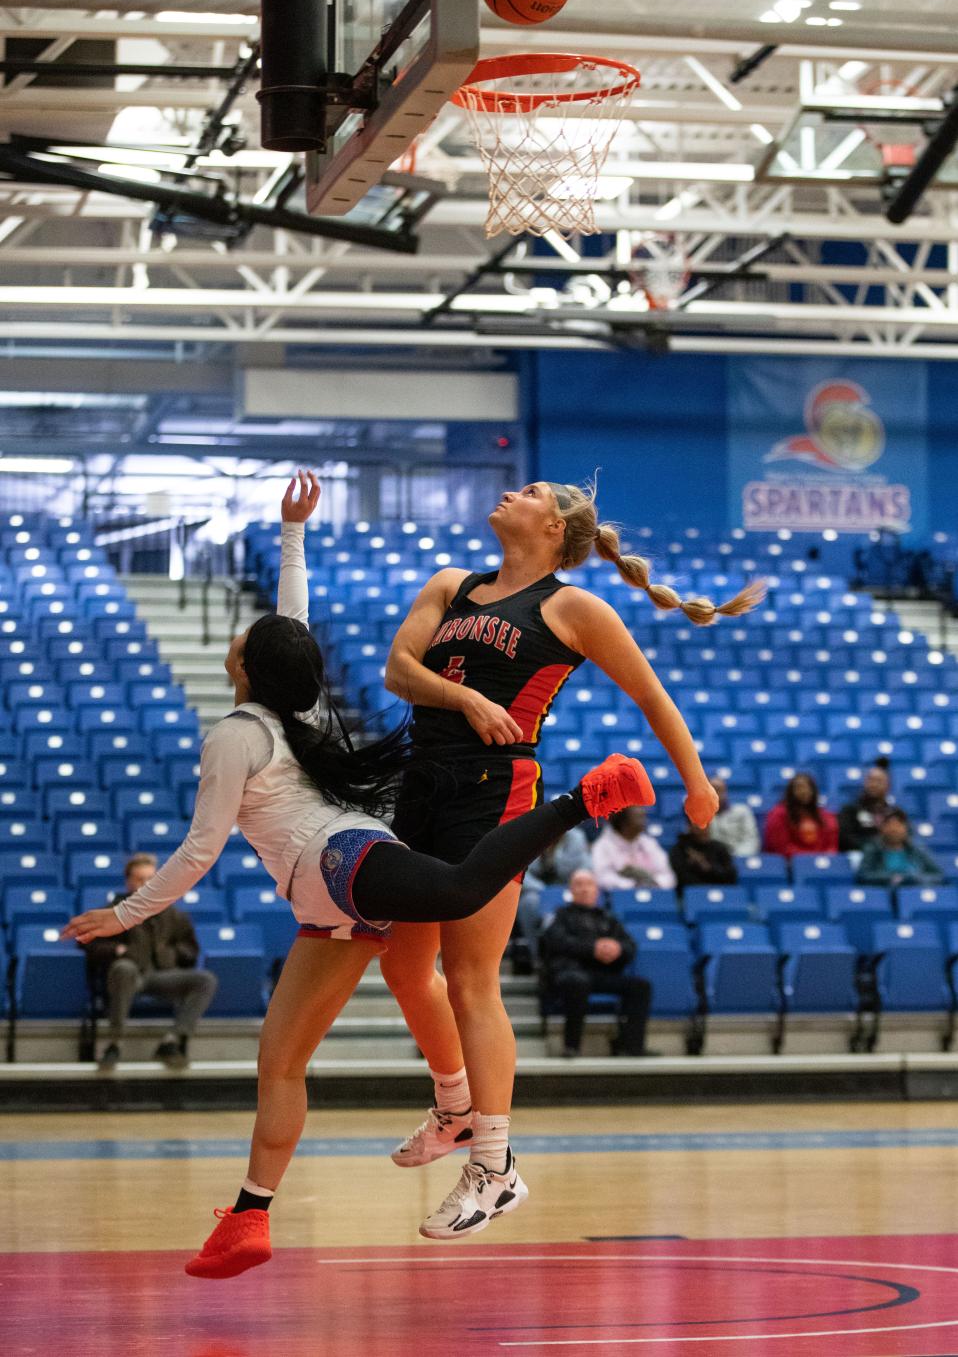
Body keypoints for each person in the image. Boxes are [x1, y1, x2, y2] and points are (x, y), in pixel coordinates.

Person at [62, 471, 654, 1279]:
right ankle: (250, 1213)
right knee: (280, 1058)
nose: (243, 640)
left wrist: (125, 913)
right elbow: (292, 623)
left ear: (245, 667)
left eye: (245, 639)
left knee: (454, 906)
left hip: (343, 859)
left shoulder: (236, 732)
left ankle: (580, 799)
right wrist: (291, 534)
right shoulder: (292, 708)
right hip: (324, 900)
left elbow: (200, 852)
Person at [379, 477, 764, 1236]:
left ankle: (493, 1165)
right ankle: (455, 1103)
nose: (505, 492)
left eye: (524, 490)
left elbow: (653, 696)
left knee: (469, 976)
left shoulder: (574, 608)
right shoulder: (452, 584)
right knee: (400, 965)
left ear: (555, 526)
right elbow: (399, 669)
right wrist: (465, 699)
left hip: (495, 789)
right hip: (421, 781)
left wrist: (695, 785)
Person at [86, 852, 218, 1070]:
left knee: (206, 980)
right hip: (130, 976)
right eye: (140, 879)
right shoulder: (113, 911)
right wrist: (117, 950)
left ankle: (173, 1041)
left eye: (150, 879)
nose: (146, 884)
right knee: (123, 968)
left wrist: (174, 953)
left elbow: (191, 950)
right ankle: (114, 1043)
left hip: (162, 976)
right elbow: (91, 945)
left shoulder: (174, 915)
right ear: (129, 882)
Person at [539, 868, 653, 1058]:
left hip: (602, 973)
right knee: (577, 982)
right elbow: (556, 942)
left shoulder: (607, 917)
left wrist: (618, 949)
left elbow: (630, 945)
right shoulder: (560, 915)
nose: (584, 889)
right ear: (571, 890)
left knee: (641, 986)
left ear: (597, 890)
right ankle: (571, 1046)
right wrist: (593, 948)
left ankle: (633, 1047)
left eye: (589, 885)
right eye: (579, 885)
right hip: (569, 972)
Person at [514, 827, 591, 968]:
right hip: (537, 890)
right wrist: (544, 891)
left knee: (584, 894)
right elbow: (520, 871)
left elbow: (583, 869)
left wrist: (554, 855)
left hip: (568, 888)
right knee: (528, 903)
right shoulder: (529, 833)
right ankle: (536, 955)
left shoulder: (576, 837)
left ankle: (580, 959)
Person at [591, 806, 675, 890]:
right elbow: (601, 878)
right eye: (639, 817)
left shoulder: (649, 843)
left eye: (644, 817)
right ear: (623, 820)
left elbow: (669, 876)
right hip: (619, 898)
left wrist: (653, 882)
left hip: (653, 895)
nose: (644, 821)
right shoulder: (603, 846)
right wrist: (633, 884)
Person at [856, 808, 944, 888]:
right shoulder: (873, 849)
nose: (894, 829)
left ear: (906, 828)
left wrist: (913, 879)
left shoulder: (917, 849)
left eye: (898, 824)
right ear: (882, 828)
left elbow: (938, 875)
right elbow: (863, 875)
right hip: (884, 893)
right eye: (889, 824)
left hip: (913, 892)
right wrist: (890, 878)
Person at [762, 773, 839, 859]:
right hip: (790, 864)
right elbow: (781, 847)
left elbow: (831, 845)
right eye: (799, 787)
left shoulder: (825, 815)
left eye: (809, 787)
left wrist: (822, 859)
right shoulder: (778, 814)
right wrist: (807, 860)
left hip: (821, 863)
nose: (805, 791)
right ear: (790, 791)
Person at [838, 760, 895, 853]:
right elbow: (845, 838)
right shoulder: (850, 809)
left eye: (879, 781)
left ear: (888, 785)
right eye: (870, 780)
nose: (874, 785)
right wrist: (871, 849)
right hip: (860, 855)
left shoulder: (893, 812)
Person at [668, 823, 737, 892]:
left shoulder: (719, 848)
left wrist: (709, 868)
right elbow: (680, 877)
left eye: (706, 827)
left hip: (721, 892)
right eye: (698, 828)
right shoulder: (680, 849)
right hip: (691, 894)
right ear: (689, 828)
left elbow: (731, 876)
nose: (703, 831)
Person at [707, 775, 759, 858]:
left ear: (725, 791)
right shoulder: (703, 816)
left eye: (719, 790)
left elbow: (751, 841)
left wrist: (734, 857)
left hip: (740, 857)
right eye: (713, 790)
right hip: (714, 861)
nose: (716, 794)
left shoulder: (742, 811)